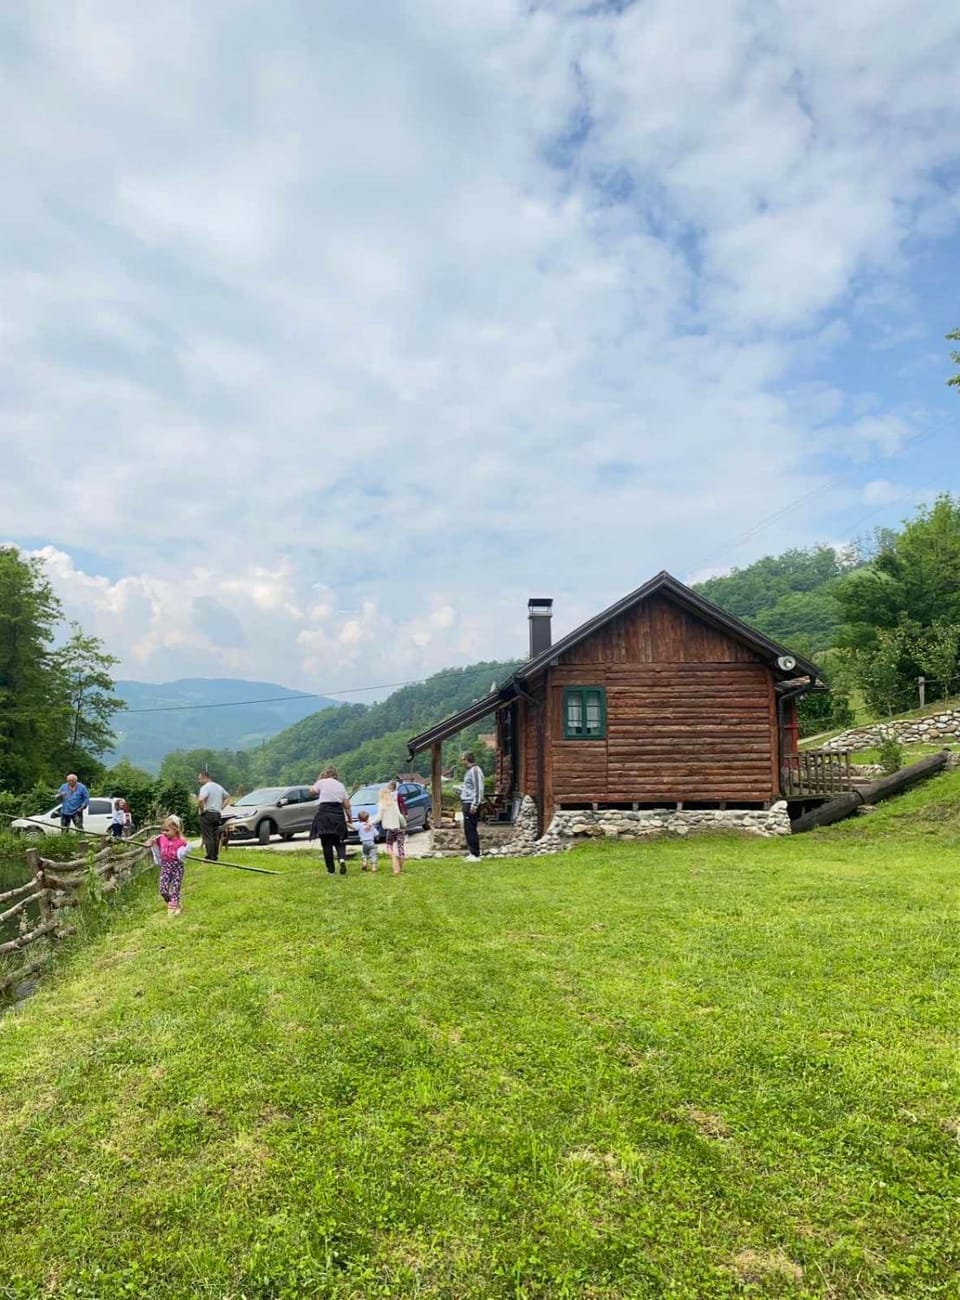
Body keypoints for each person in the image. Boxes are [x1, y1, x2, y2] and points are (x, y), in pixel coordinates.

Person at [309, 765, 352, 874]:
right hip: (338, 814)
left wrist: (318, 779)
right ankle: (341, 859)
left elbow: (312, 792)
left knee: (326, 843)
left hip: (325, 814)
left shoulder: (322, 782)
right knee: (339, 840)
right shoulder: (341, 785)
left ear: (325, 774)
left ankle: (331, 870)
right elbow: (347, 805)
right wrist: (349, 819)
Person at [149, 814, 189, 916]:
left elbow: (187, 849)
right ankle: (174, 903)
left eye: (167, 830)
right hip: (166, 866)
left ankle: (172, 910)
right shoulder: (161, 838)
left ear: (176, 829)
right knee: (163, 890)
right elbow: (149, 843)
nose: (164, 832)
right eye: (163, 830)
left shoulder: (182, 841)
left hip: (177, 867)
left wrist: (182, 852)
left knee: (175, 888)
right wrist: (151, 842)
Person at [197, 769, 229, 862]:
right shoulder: (219, 787)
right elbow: (227, 797)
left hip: (208, 813)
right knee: (215, 835)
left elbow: (200, 800)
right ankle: (215, 856)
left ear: (205, 777)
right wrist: (221, 807)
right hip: (217, 814)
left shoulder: (205, 787)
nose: (199, 781)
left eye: (200, 779)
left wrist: (202, 810)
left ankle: (209, 857)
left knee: (208, 836)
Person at [377, 780, 406, 875]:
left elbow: (378, 818)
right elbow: (400, 815)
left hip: (390, 829)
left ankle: (394, 859)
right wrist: (404, 824)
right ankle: (401, 867)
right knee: (400, 847)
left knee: (389, 847)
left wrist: (370, 822)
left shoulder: (381, 804)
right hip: (399, 828)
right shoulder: (394, 802)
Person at [460, 752, 484, 861]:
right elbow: (469, 787)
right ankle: (472, 852)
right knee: (468, 829)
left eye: (463, 760)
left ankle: (476, 854)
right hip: (466, 801)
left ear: (467, 759)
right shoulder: (469, 771)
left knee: (471, 829)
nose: (462, 762)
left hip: (471, 803)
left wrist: (475, 804)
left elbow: (478, 788)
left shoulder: (475, 770)